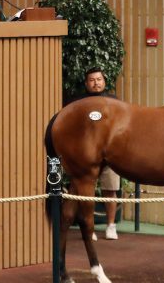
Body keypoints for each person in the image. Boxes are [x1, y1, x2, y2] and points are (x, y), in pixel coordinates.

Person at [72, 67, 122, 240]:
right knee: (87, 191)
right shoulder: (78, 104)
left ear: (104, 81)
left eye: (99, 79)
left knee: (111, 189)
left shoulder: (114, 102)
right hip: (86, 156)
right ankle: (89, 228)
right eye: (92, 80)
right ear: (86, 83)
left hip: (111, 155)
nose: (96, 83)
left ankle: (111, 226)